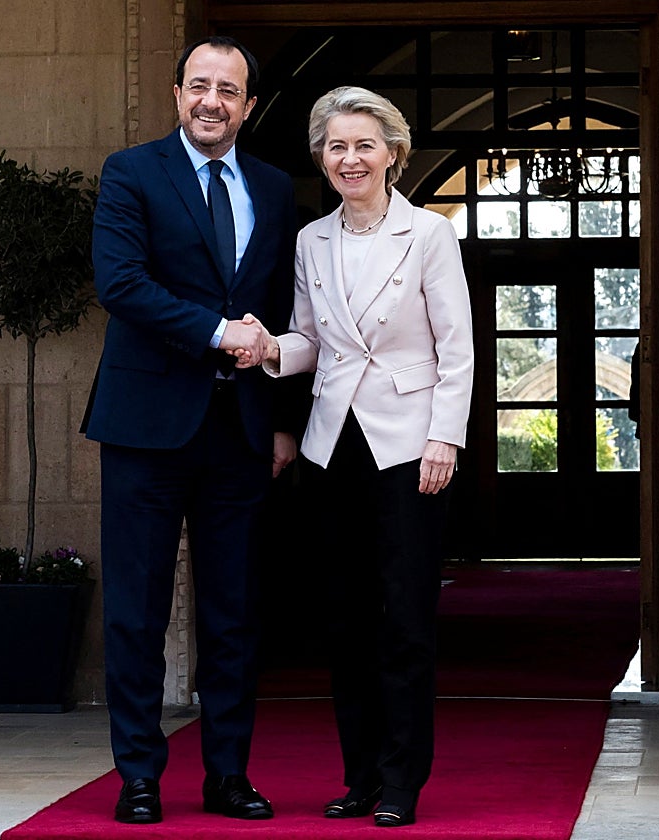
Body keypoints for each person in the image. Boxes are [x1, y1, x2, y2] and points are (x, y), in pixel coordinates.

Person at [237, 86, 474, 827]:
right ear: (322, 157)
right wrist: (274, 348)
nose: (350, 158)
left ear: (393, 154)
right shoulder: (312, 241)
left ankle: (403, 782)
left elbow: (458, 348)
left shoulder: (430, 235)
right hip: (330, 447)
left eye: (364, 145)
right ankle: (360, 776)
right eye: (336, 146)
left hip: (409, 446)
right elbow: (311, 341)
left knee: (404, 619)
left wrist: (446, 436)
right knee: (344, 621)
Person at [79, 35, 298, 825]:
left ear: (247, 104)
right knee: (136, 609)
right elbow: (122, 284)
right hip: (145, 427)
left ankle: (227, 775)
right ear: (177, 95)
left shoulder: (274, 189)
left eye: (228, 90)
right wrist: (216, 331)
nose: (212, 101)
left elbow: (287, 308)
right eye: (199, 86)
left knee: (233, 613)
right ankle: (139, 774)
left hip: (240, 430)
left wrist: (281, 420)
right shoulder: (130, 173)